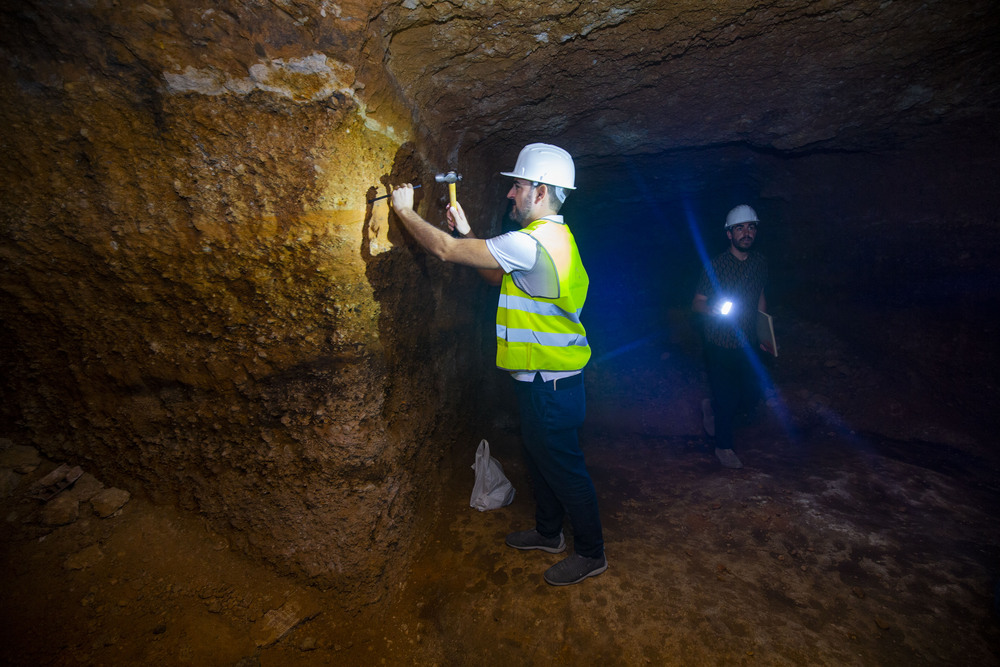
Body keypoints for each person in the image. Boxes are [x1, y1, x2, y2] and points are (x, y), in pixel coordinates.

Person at [390, 143, 606, 586]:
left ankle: (591, 553)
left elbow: (448, 251)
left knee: (565, 470)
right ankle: (549, 534)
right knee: (540, 458)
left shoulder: (530, 243)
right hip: (546, 381)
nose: (511, 194)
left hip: (551, 385)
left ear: (540, 192)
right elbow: (495, 272)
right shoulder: (554, 240)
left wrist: (405, 213)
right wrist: (471, 232)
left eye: (519, 186)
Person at [692, 204, 769, 469]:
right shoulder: (714, 266)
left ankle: (711, 406)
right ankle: (723, 447)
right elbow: (697, 303)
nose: (746, 233)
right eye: (740, 228)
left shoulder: (760, 262)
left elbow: (759, 295)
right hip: (719, 343)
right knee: (728, 397)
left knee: (749, 395)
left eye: (751, 227)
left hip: (748, 342)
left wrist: (763, 331)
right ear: (729, 234)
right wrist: (711, 308)